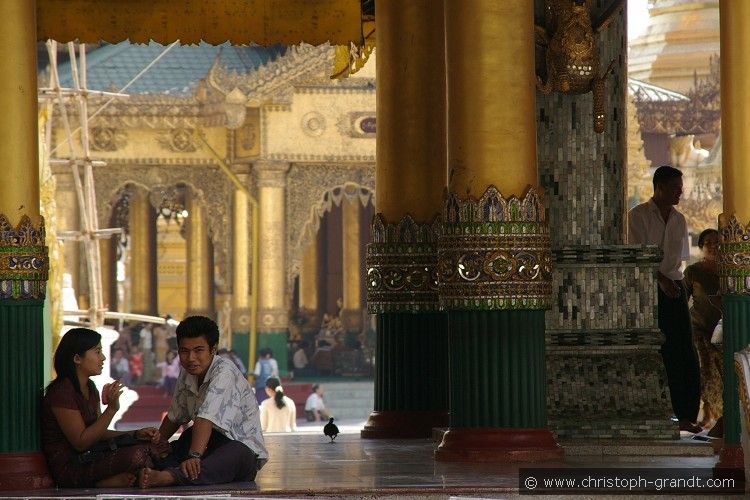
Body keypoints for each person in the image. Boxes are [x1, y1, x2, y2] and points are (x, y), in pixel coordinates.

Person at [138, 316, 268, 488]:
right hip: (206, 444)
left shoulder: (224, 372)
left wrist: (194, 456)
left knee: (237, 453)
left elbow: (205, 418)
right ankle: (162, 470)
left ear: (213, 350)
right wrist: (157, 444)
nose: (191, 358)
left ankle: (171, 476)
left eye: (198, 350)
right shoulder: (187, 372)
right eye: (184, 351)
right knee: (183, 439)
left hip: (239, 451)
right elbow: (175, 416)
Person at [41, 328, 169, 488]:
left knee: (158, 445)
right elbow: (81, 442)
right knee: (140, 455)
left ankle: (138, 477)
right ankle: (101, 483)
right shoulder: (62, 392)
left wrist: (136, 433)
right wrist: (111, 410)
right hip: (71, 466)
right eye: (97, 352)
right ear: (77, 358)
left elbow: (98, 434)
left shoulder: (89, 386)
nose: (103, 357)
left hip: (91, 456)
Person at [628, 165, 701, 433]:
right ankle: (659, 412)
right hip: (648, 288)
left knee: (685, 351)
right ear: (659, 187)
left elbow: (679, 259)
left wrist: (673, 284)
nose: (679, 193)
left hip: (675, 287)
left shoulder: (679, 219)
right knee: (659, 350)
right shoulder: (637, 216)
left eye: (680, 189)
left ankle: (687, 415)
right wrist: (660, 280)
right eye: (675, 189)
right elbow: (636, 257)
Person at [684, 228, 723, 431]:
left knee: (721, 374)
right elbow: (682, 298)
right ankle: (706, 414)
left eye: (717, 242)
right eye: (709, 243)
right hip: (698, 330)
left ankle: (720, 416)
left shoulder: (729, 271)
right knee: (705, 372)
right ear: (701, 247)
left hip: (721, 331)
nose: (714, 246)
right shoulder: (693, 272)